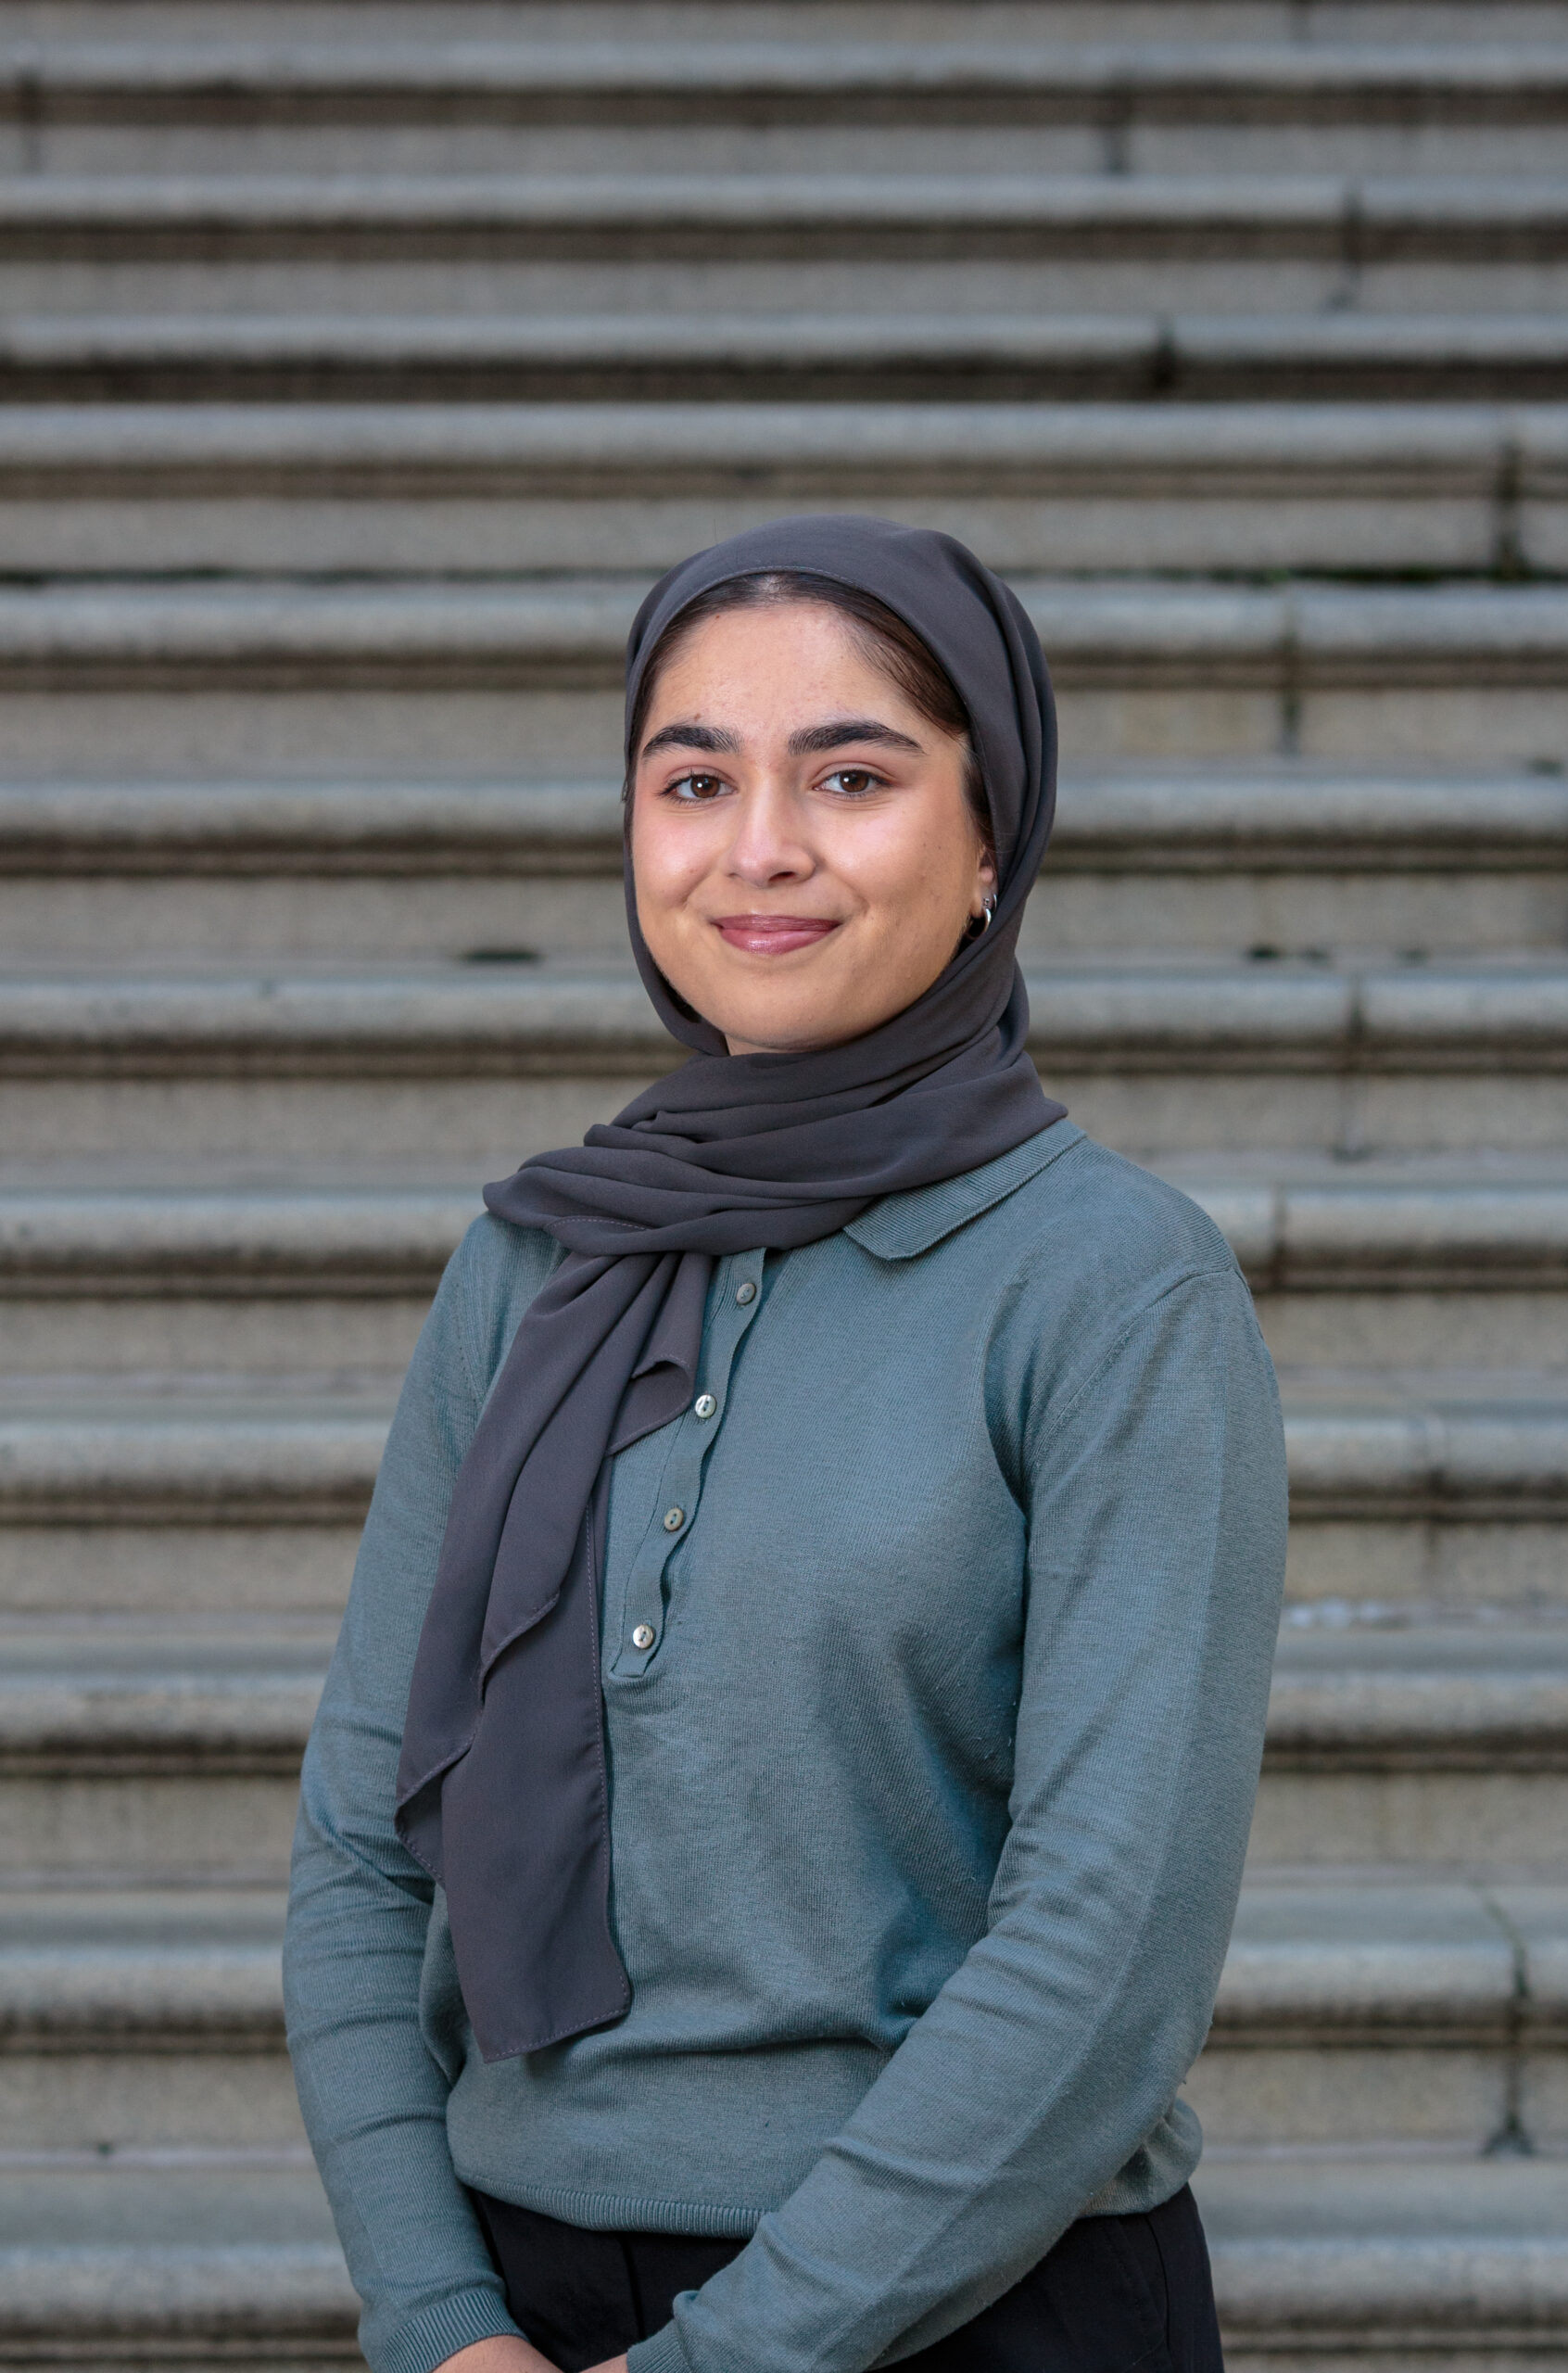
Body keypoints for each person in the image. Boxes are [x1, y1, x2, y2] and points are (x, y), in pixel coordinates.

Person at [284, 515, 1287, 2373]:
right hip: (521, 2297)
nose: (760, 846)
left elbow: (1105, 1945)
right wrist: (436, 2316)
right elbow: (360, 1845)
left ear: (992, 839)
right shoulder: (534, 1260)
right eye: (694, 776)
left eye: (852, 773)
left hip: (980, 2305)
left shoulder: (1110, 1285)